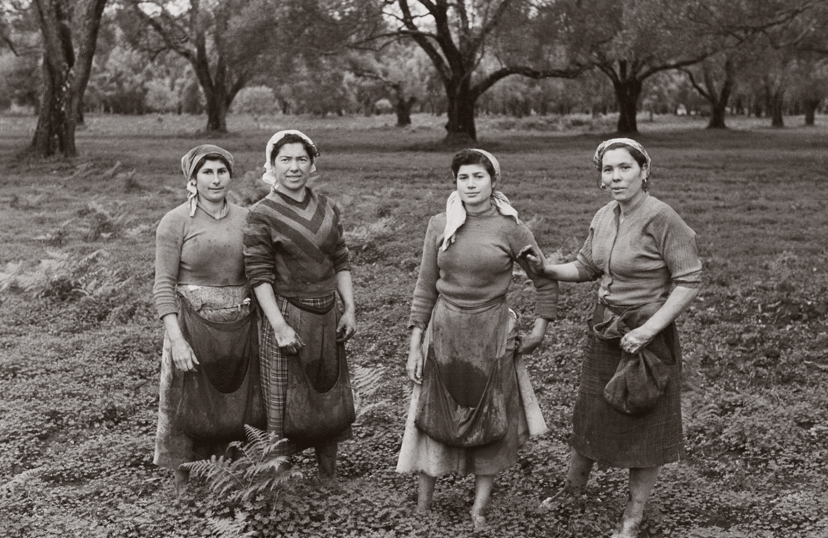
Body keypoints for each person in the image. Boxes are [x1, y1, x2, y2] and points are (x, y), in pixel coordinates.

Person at [521, 138, 702, 538]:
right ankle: (573, 491)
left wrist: (648, 330)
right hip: (605, 330)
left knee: (645, 422)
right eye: (608, 169)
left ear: (644, 171)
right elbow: (587, 266)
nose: (616, 177)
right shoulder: (604, 215)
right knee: (591, 412)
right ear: (600, 177)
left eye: (625, 167)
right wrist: (547, 269)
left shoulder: (662, 218)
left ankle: (633, 514)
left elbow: (689, 281)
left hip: (647, 336)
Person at [397, 148, 557, 528]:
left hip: (492, 334)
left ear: (493, 180)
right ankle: (423, 506)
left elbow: (544, 279)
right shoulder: (440, 224)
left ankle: (479, 508)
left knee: (492, 417)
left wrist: (540, 328)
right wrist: (416, 345)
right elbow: (425, 287)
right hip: (444, 332)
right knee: (433, 414)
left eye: (478, 177)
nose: (470, 185)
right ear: (455, 181)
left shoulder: (511, 228)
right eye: (463, 177)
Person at [243, 130, 356, 484]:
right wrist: (279, 326)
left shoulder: (327, 206)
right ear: (272, 166)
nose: (294, 167)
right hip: (286, 314)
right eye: (286, 160)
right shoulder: (261, 213)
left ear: (312, 165)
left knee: (327, 394)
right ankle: (281, 484)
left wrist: (349, 309)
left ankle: (328, 478)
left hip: (327, 316)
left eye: (301, 159)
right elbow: (258, 274)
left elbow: (340, 259)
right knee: (282, 404)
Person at [153, 144, 262, 495]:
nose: (215, 180)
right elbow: (163, 284)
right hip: (190, 323)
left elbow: (260, 272)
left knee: (238, 398)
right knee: (186, 398)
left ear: (230, 175)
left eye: (221, 171)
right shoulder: (175, 222)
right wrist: (177, 340)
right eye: (207, 172)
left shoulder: (248, 218)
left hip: (239, 323)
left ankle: (237, 475)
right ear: (193, 178)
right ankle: (183, 483)